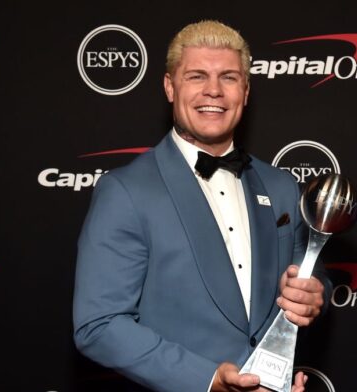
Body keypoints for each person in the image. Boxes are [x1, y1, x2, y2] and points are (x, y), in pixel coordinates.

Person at [73, 20, 332, 392]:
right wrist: (207, 380)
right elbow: (98, 325)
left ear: (245, 91)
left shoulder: (282, 186)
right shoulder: (126, 191)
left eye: (228, 77)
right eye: (197, 76)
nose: (213, 90)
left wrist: (312, 294)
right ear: (169, 87)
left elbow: (310, 274)